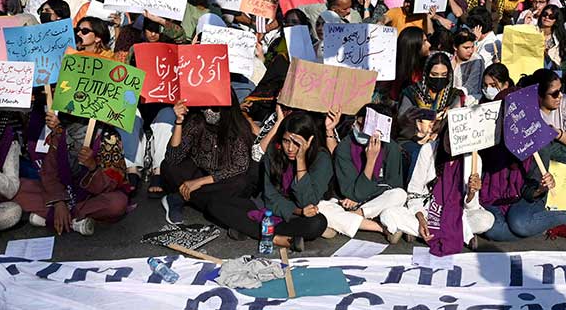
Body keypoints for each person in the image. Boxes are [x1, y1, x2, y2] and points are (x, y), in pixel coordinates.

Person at [378, 123, 495, 254]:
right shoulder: (428, 150)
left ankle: (419, 233)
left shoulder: (474, 160)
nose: (451, 146)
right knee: (388, 214)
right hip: (429, 211)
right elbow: (414, 191)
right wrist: (421, 218)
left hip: (458, 214)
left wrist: (472, 193)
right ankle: (462, 233)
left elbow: (472, 207)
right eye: (448, 139)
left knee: (487, 220)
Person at [15, 110, 130, 236]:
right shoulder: (61, 133)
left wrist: (93, 167)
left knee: (117, 203)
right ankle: (74, 221)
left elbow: (111, 185)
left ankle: (55, 218)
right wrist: (59, 202)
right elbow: (49, 172)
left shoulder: (109, 138)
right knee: (19, 188)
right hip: (65, 191)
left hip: (92, 197)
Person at [160, 94, 256, 231]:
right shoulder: (197, 121)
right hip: (199, 172)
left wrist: (199, 182)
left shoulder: (237, 125)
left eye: (214, 108)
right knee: (169, 167)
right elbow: (173, 158)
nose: (209, 111)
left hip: (221, 181)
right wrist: (179, 122)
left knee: (240, 183)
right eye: (205, 106)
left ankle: (180, 198)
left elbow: (240, 165)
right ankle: (218, 209)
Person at [323, 103, 407, 241]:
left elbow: (393, 186)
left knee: (399, 195)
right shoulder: (345, 146)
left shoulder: (391, 148)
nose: (359, 129)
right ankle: (380, 227)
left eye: (365, 127)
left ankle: (352, 218)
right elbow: (348, 191)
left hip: (373, 202)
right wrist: (370, 162)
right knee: (322, 208)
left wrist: (359, 201)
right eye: (358, 123)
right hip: (347, 201)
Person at [259, 112, 332, 249]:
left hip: (302, 216)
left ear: (309, 141)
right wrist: (298, 211)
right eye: (286, 141)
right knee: (221, 205)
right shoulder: (273, 154)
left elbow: (307, 202)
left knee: (317, 223)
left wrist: (300, 160)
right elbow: (270, 198)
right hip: (276, 210)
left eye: (297, 143)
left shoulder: (321, 158)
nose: (291, 148)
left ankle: (255, 231)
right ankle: (275, 237)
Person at [399, 52, 465, 115]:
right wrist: (429, 117)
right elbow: (403, 117)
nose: (439, 78)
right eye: (434, 74)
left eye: (444, 75)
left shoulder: (453, 95)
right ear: (426, 73)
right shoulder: (412, 93)